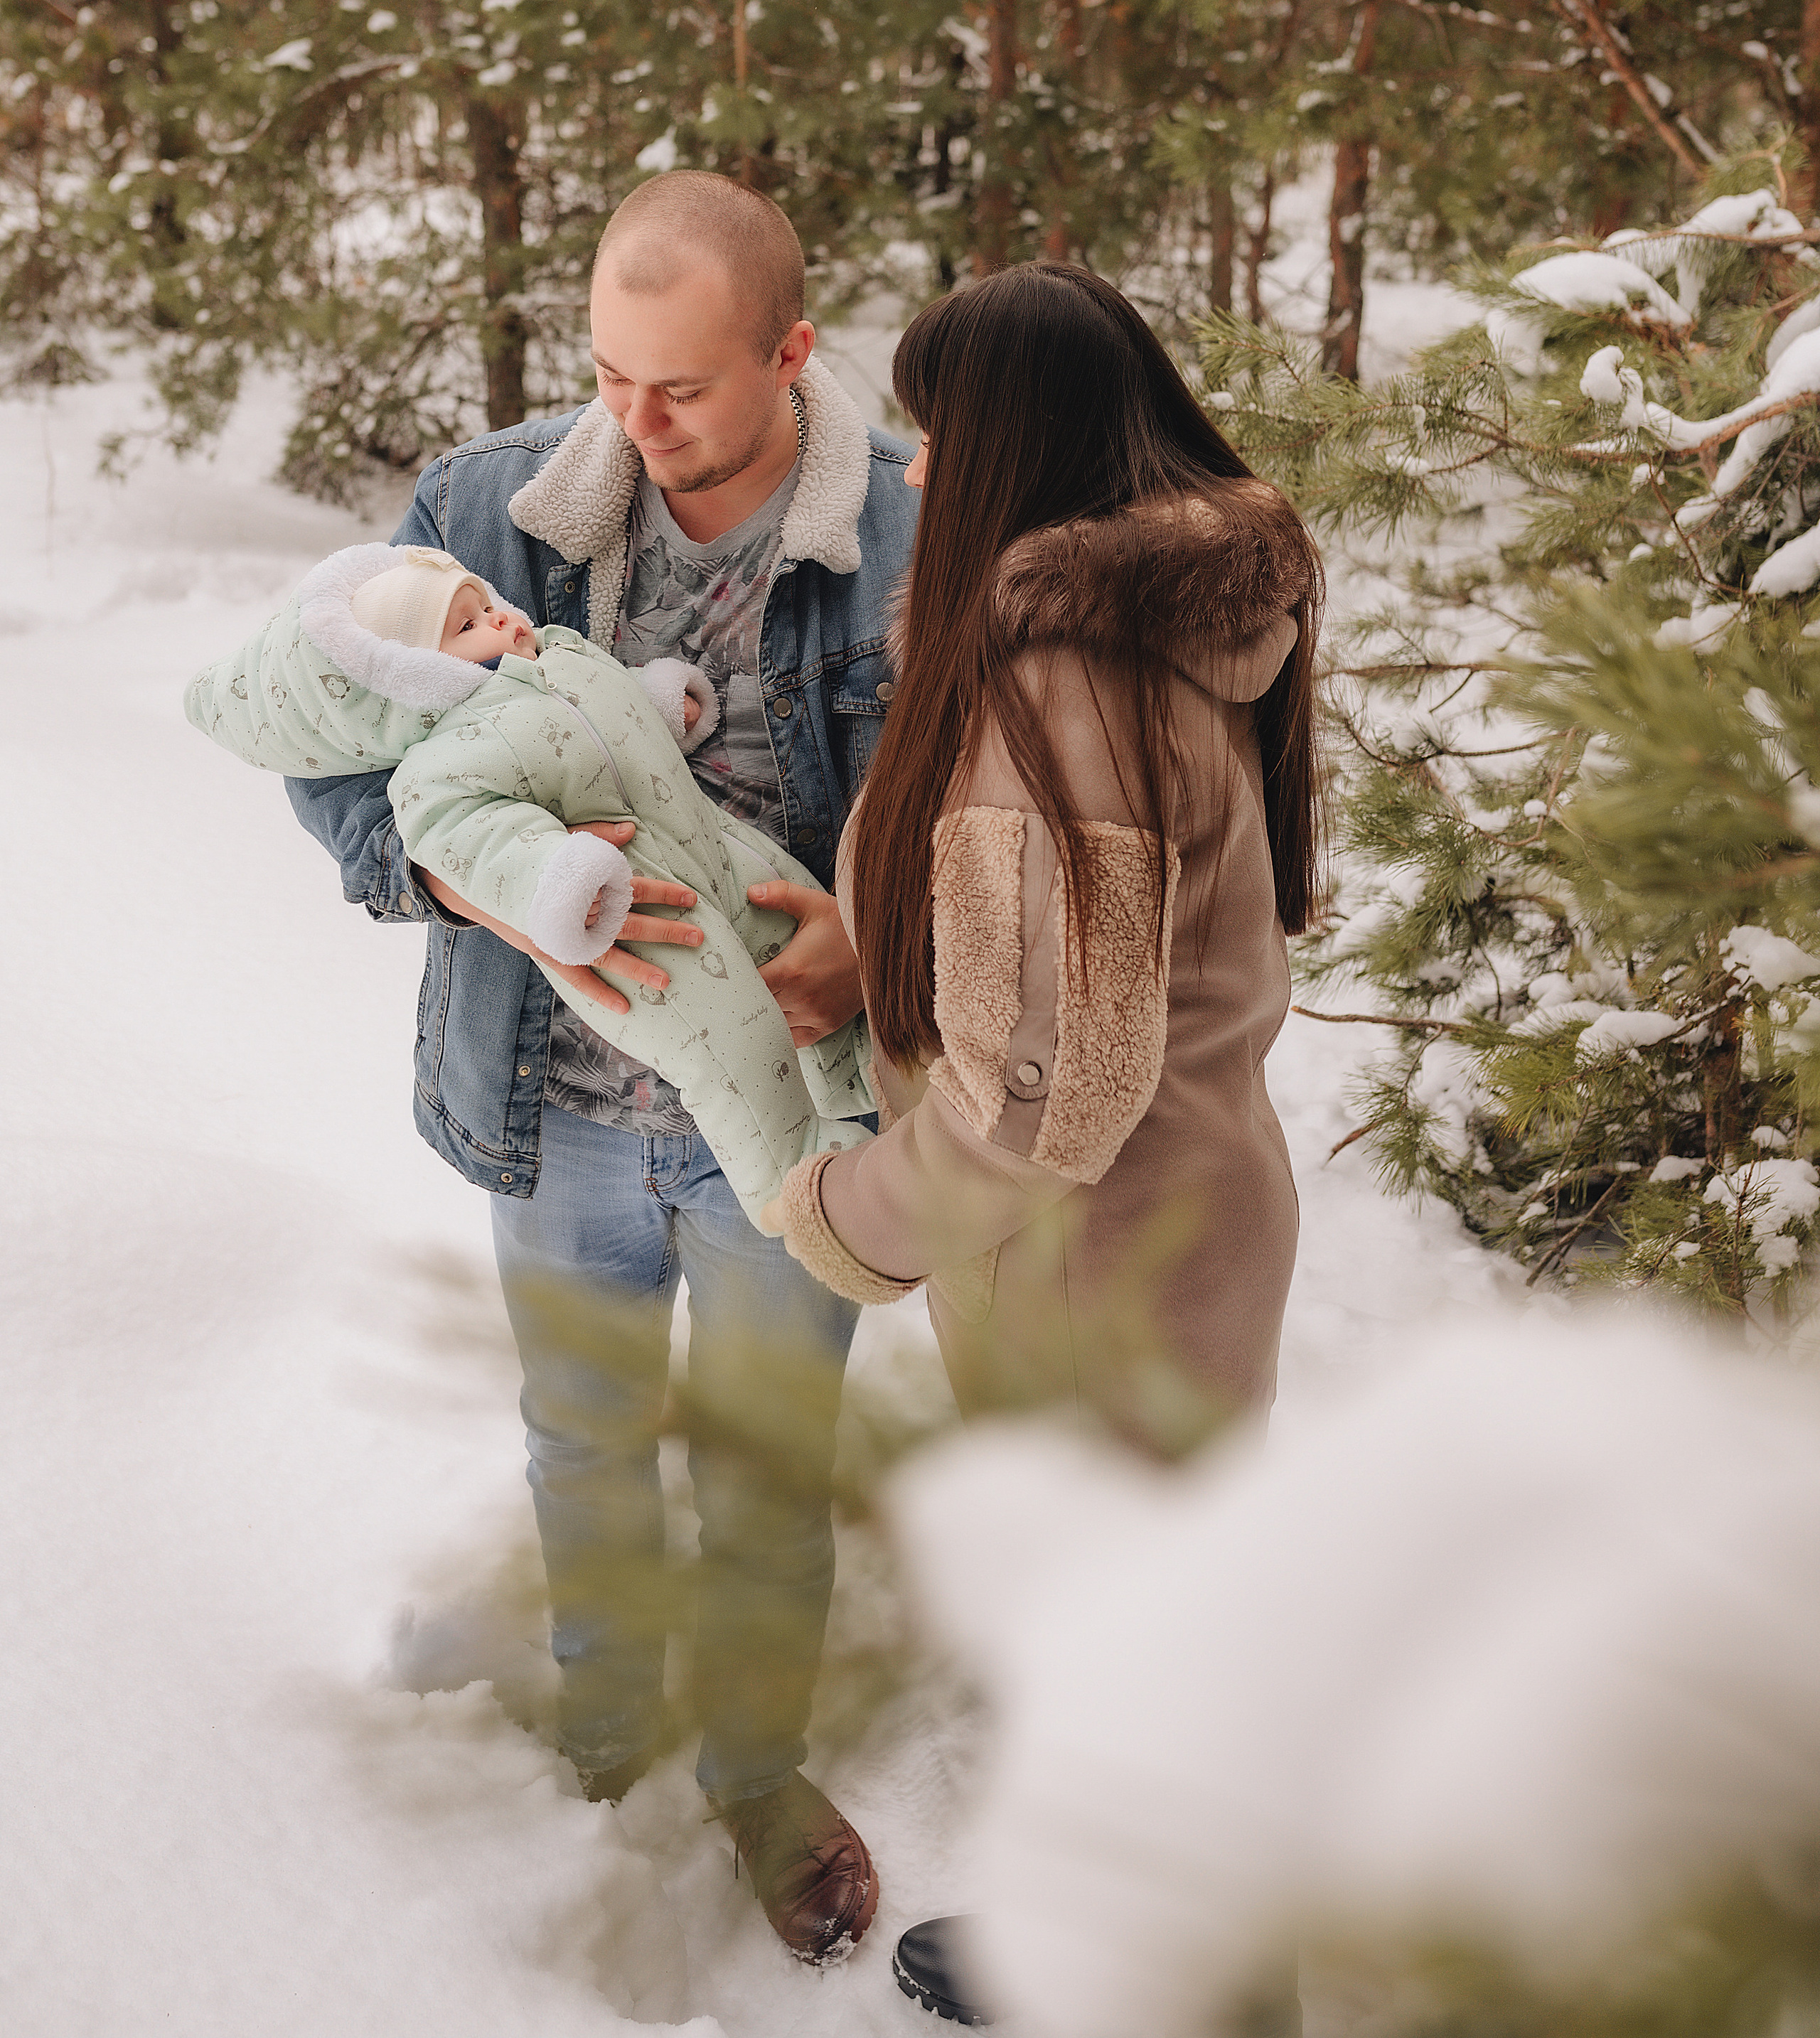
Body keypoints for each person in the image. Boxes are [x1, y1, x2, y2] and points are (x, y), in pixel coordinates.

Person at [285, 172, 916, 1963]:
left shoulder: (899, 537)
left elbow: (972, 805)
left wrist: (880, 943)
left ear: (790, 354)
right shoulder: (488, 503)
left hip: (783, 1123)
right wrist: (467, 884)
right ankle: (598, 1728)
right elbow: (328, 745)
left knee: (763, 1470)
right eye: (606, 374)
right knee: (578, 1441)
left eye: (683, 389)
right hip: (544, 1103)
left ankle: (754, 1770)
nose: (628, 426)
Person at [763, 261, 1324, 2022]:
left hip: (1089, 1252)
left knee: (1114, 1636)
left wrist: (845, 1212)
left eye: (933, 435)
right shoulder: (1173, 624)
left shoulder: (1063, 690)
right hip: (1186, 1210)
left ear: (1013, 449)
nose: (915, 474)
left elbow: (1038, 1096)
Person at [186, 542, 876, 1215]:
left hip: (713, 844)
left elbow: (601, 727)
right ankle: (786, 1173)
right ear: (407, 675)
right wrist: (553, 881)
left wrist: (658, 707)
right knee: (729, 1028)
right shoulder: (445, 762)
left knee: (792, 907)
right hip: (642, 917)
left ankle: (859, 1070)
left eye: (485, 603)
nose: (500, 619)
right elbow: (469, 840)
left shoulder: (557, 658)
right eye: (466, 626)